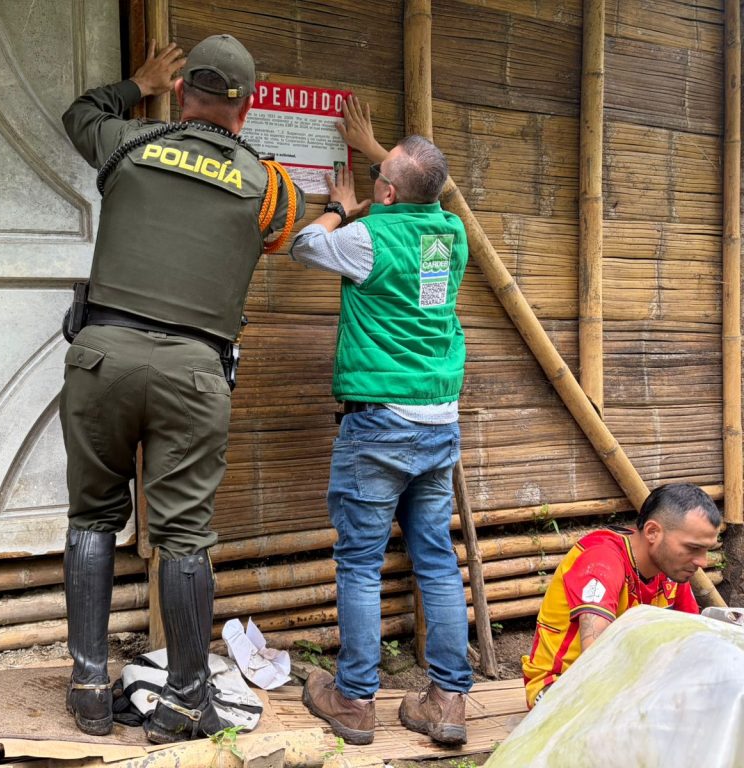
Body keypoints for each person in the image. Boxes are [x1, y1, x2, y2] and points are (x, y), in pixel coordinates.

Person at [60, 35, 304, 744]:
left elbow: (80, 114)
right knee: (184, 536)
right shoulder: (271, 184)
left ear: (181, 91)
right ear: (247, 106)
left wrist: (136, 85)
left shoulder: (127, 142)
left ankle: (88, 688)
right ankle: (186, 701)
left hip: (102, 357)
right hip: (195, 374)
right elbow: (278, 235)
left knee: (92, 518)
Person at [292, 102, 473, 747]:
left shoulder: (368, 237)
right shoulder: (450, 235)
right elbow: (426, 190)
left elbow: (305, 245)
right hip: (438, 419)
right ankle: (448, 703)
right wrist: (378, 155)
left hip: (380, 424)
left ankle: (353, 699)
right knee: (436, 560)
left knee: (361, 563)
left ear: (387, 194)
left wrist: (341, 207)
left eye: (379, 177)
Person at [522, 482, 721, 709]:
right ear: (652, 532)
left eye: (706, 550)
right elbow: (595, 655)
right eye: (693, 548)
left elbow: (694, 641)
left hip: (628, 684)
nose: (702, 561)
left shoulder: (671, 569)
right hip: (561, 687)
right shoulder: (601, 558)